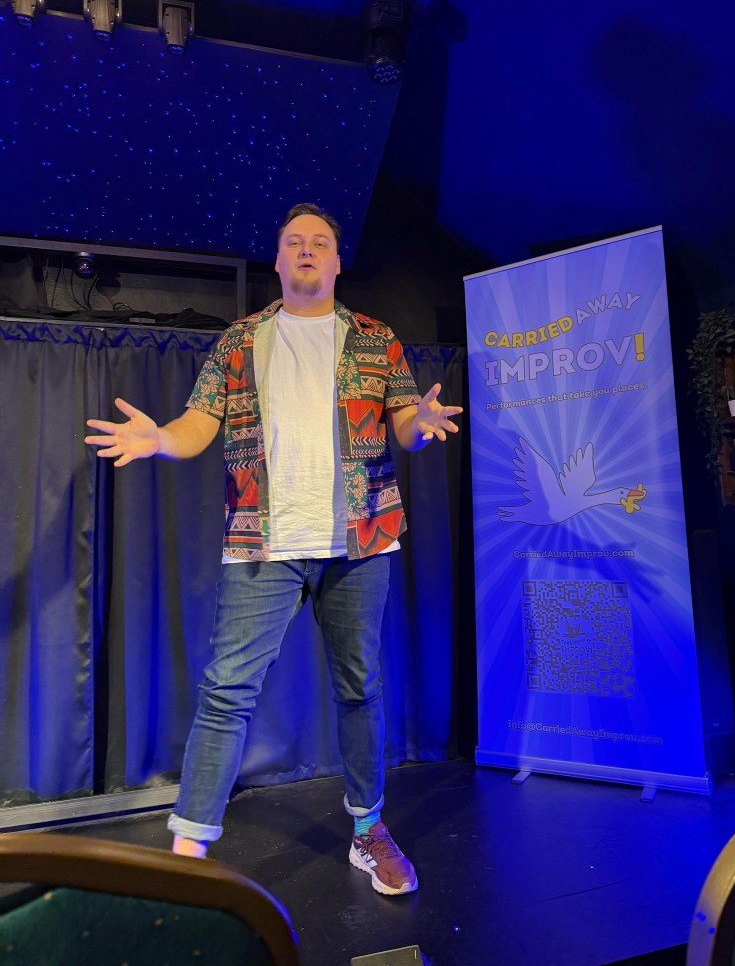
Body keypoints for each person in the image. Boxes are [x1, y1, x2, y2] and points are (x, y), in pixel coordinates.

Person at [84, 203, 461, 897]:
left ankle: (368, 829)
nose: (307, 249)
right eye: (294, 242)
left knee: (361, 689)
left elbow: (406, 423)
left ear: (338, 262)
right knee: (226, 691)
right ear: (280, 260)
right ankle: (188, 855)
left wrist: (423, 423)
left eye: (320, 242)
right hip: (264, 543)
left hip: (361, 541)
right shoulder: (240, 340)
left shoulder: (375, 338)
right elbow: (200, 422)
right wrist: (159, 439)